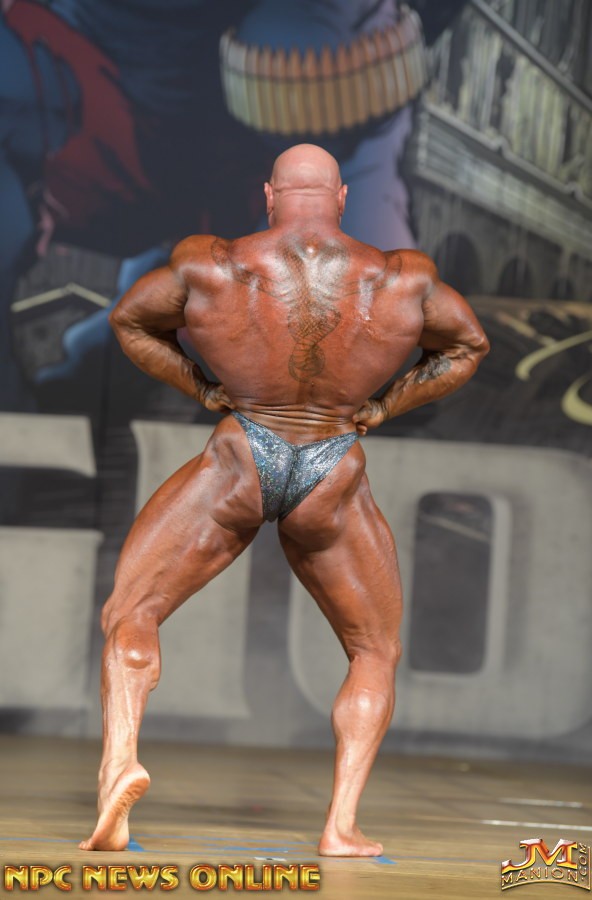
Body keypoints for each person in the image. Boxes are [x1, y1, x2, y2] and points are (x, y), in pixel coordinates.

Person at [79, 143, 489, 856]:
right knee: (374, 649)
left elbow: (129, 321)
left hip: (244, 454)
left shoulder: (212, 263)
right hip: (334, 465)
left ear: (268, 196)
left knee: (131, 611)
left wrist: (202, 387)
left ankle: (120, 764)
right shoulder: (402, 277)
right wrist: (386, 405)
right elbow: (468, 346)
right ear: (342, 198)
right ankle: (341, 825)